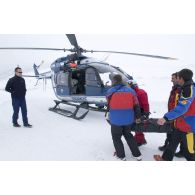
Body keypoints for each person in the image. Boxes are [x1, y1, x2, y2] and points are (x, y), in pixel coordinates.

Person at [154, 69, 195, 161]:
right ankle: (165, 159)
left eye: (177, 78)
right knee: (172, 142)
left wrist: (166, 117)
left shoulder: (189, 89)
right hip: (181, 123)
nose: (176, 80)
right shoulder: (186, 87)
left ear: (181, 78)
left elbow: (182, 107)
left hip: (188, 125)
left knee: (189, 151)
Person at [106, 74, 142, 161]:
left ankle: (121, 156)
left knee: (116, 137)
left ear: (114, 81)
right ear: (121, 81)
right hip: (128, 119)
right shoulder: (131, 91)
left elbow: (108, 104)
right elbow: (137, 105)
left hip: (115, 120)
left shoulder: (110, 91)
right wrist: (138, 117)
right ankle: (137, 155)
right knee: (128, 135)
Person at [158, 73, 183, 155]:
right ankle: (167, 146)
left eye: (173, 78)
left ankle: (183, 151)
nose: (171, 80)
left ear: (178, 78)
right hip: (171, 115)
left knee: (180, 133)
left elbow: (180, 105)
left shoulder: (180, 90)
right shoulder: (175, 89)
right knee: (170, 131)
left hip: (177, 116)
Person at [127, 79, 150, 146]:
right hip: (136, 110)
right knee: (137, 125)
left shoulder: (141, 92)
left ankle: (139, 140)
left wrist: (146, 113)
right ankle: (141, 138)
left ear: (132, 85)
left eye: (128, 86)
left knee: (139, 125)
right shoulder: (132, 92)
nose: (127, 87)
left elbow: (145, 104)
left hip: (141, 111)